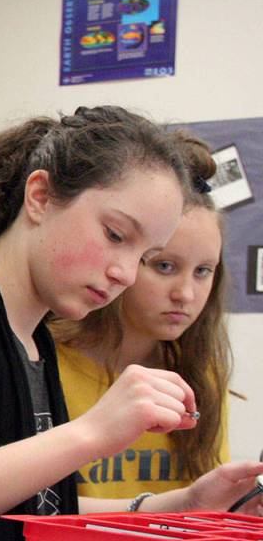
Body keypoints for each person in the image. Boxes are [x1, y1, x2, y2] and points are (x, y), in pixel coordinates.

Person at [0, 106, 263, 541]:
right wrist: (91, 433)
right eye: (115, 234)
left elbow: (23, 512)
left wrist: (187, 504)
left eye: (145, 254)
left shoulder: (33, 338)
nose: (124, 273)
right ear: (40, 196)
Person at [53, 131, 236, 499]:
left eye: (203, 271)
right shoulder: (49, 362)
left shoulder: (202, 373)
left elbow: (210, 505)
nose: (185, 294)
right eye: (165, 266)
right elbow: (31, 512)